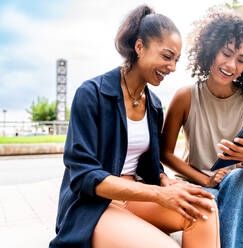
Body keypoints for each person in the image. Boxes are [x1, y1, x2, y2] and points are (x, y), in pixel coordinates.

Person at [49, 5, 220, 248]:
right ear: (139, 47)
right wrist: (159, 194)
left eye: (176, 60)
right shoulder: (91, 94)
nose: (172, 67)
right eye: (166, 56)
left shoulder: (154, 106)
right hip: (93, 206)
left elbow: (147, 166)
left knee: (205, 210)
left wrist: (164, 180)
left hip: (134, 196)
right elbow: (83, 176)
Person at [161, 9, 243, 248]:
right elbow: (164, 153)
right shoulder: (185, 96)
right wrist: (205, 180)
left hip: (235, 185)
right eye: (226, 54)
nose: (231, 65)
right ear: (211, 50)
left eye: (241, 59)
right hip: (197, 185)